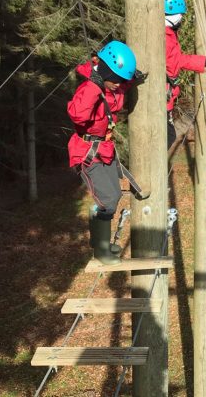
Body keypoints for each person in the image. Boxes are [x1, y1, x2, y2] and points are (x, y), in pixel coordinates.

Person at [67, 41, 146, 265]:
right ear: (105, 73)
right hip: (87, 152)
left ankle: (98, 241)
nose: (118, 85)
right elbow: (77, 115)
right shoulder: (88, 88)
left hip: (105, 150)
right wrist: (93, 87)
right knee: (108, 200)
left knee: (114, 195)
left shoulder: (111, 84)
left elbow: (118, 92)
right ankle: (101, 251)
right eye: (116, 80)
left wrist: (132, 80)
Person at [164, 0, 206, 146]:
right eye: (180, 16)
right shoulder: (165, 37)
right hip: (162, 94)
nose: (181, 20)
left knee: (169, 135)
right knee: (168, 136)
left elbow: (177, 59)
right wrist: (201, 62)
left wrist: (202, 62)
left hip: (167, 94)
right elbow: (176, 61)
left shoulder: (170, 34)